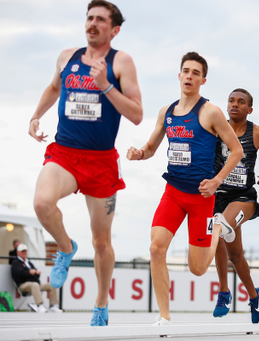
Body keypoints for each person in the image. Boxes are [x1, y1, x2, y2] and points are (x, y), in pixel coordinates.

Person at [28, 0, 142, 326]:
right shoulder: (67, 57)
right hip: (64, 152)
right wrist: (36, 116)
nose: (92, 24)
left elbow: (136, 114)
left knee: (101, 242)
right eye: (89, 18)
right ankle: (65, 248)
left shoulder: (122, 62)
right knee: (41, 203)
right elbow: (53, 87)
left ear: (114, 29)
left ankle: (101, 304)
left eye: (101, 20)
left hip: (101, 162)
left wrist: (106, 85)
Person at [126, 52, 243, 326]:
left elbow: (236, 151)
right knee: (156, 249)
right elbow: (152, 148)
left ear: (203, 79)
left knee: (199, 268)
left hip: (201, 197)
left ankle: (218, 227)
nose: (189, 76)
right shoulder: (166, 113)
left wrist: (217, 181)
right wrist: (138, 153)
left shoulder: (210, 112)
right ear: (179, 76)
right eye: (185, 71)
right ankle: (165, 317)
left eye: (195, 72)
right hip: (173, 193)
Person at [212, 88, 259, 324]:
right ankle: (255, 296)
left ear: (249, 109)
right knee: (235, 255)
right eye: (231, 101)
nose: (235, 105)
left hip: (244, 197)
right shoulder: (216, 128)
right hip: (218, 197)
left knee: (219, 227)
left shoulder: (258, 132)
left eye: (241, 102)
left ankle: (224, 292)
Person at [11, 244, 62, 313]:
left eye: (25, 251)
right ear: (18, 252)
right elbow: (20, 273)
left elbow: (35, 274)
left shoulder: (28, 262)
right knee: (34, 285)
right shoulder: (15, 263)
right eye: (22, 251)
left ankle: (53, 306)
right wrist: (30, 272)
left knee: (51, 285)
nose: (24, 253)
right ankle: (39, 305)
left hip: (35, 283)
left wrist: (36, 273)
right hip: (23, 285)